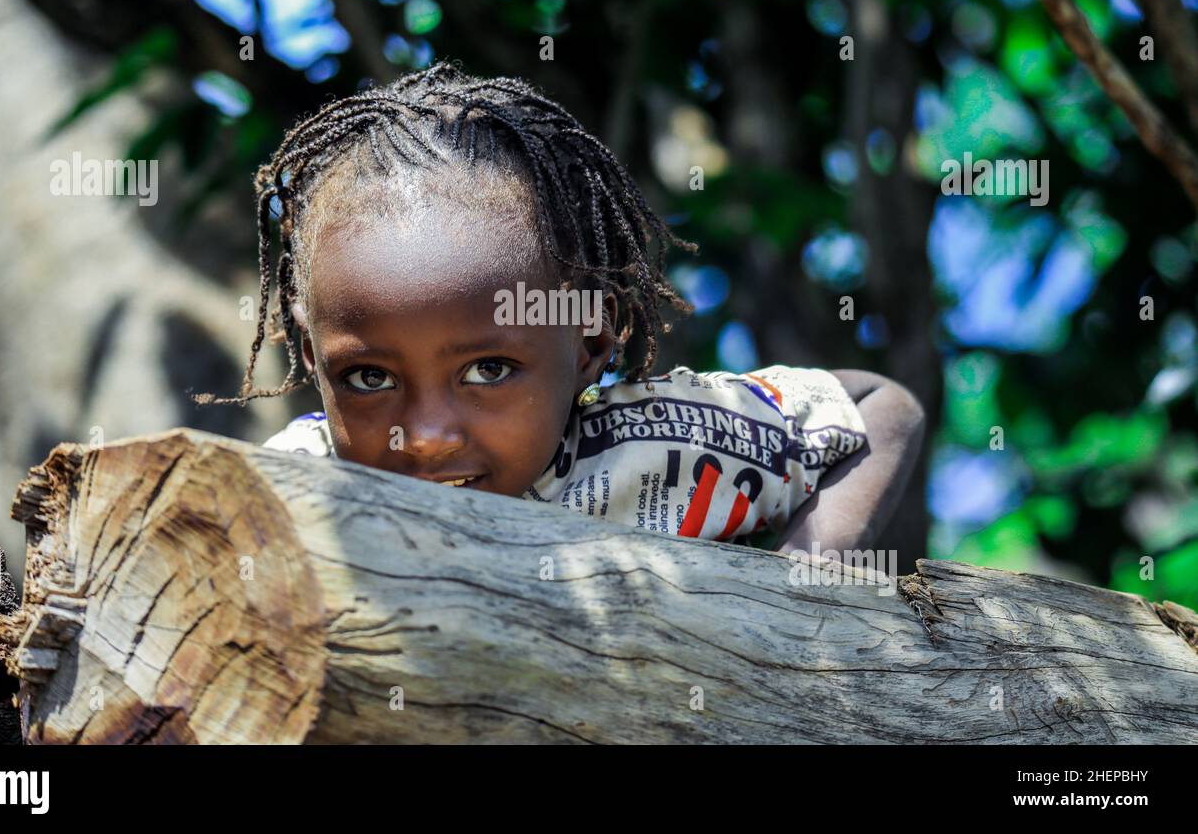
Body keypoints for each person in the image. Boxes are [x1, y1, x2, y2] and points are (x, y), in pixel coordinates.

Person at [196, 61, 924, 555]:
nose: (423, 438)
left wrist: (804, 589)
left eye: (487, 369)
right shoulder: (296, 489)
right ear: (313, 354)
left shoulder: (662, 449)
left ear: (588, 345)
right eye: (367, 378)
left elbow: (879, 409)